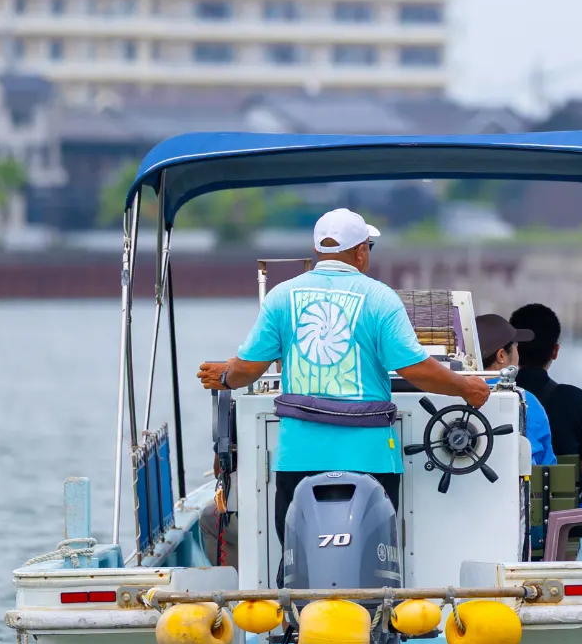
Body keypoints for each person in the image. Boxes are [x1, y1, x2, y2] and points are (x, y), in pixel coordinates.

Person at [197, 207, 495, 548]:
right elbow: (416, 369)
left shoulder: (281, 297)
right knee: (371, 549)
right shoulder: (381, 299)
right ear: (360, 251)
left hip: (299, 456)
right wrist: (464, 387)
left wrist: (225, 377)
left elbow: (248, 370)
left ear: (318, 252)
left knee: (300, 552)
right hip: (369, 457)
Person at [509, 301, 582, 461]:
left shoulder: (495, 397)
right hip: (563, 486)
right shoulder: (577, 399)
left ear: (511, 350)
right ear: (555, 351)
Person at [475, 312, 556, 467]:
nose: (519, 354)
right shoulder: (525, 400)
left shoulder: (450, 397)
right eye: (516, 347)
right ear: (501, 356)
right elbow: (547, 465)